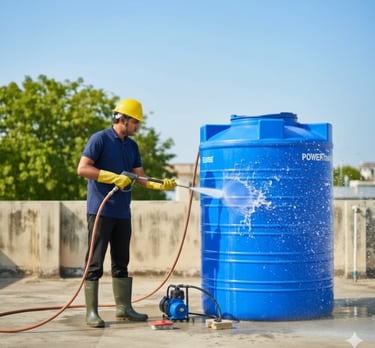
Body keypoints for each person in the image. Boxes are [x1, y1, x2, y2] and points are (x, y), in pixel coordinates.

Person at [77, 98, 176, 328]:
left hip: (122, 212)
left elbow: (139, 176)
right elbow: (82, 168)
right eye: (135, 122)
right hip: (100, 210)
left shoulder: (132, 146)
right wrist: (112, 177)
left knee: (121, 262)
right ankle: (91, 312)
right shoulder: (99, 139)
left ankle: (124, 308)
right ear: (122, 119)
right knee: (94, 263)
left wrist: (159, 185)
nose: (137, 126)